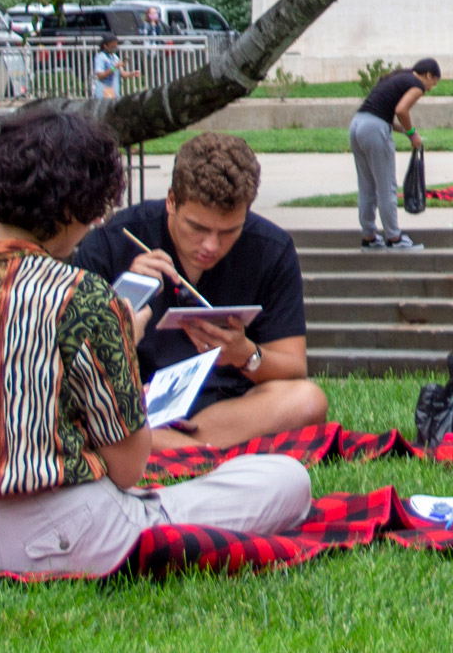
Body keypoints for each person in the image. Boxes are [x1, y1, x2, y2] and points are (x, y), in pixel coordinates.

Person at [0, 111, 312, 575]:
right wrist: (116, 342)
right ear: (75, 209)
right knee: (287, 479)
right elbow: (127, 467)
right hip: (73, 536)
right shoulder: (86, 300)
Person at [75, 132, 329, 450]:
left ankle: (169, 446)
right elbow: (73, 363)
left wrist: (245, 355)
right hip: (133, 401)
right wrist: (122, 298)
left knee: (309, 401)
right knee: (82, 412)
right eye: (196, 227)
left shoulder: (270, 249)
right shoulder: (114, 242)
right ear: (171, 201)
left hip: (225, 408)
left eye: (228, 231)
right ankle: (185, 447)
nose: (210, 246)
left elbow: (293, 369)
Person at [349, 58, 439, 252]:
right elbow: (401, 110)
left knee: (366, 186)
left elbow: (383, 113)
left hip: (357, 124)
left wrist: (405, 132)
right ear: (429, 75)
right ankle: (394, 237)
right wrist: (412, 134)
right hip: (374, 129)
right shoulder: (416, 84)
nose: (431, 88)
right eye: (434, 83)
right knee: (386, 186)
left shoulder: (399, 77)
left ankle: (369, 236)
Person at [91, 34, 140, 100]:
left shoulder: (114, 57)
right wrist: (114, 67)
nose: (114, 47)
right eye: (112, 46)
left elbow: (123, 74)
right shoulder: (100, 57)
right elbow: (100, 75)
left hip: (114, 90)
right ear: (105, 46)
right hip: (103, 90)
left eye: (115, 46)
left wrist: (133, 73)